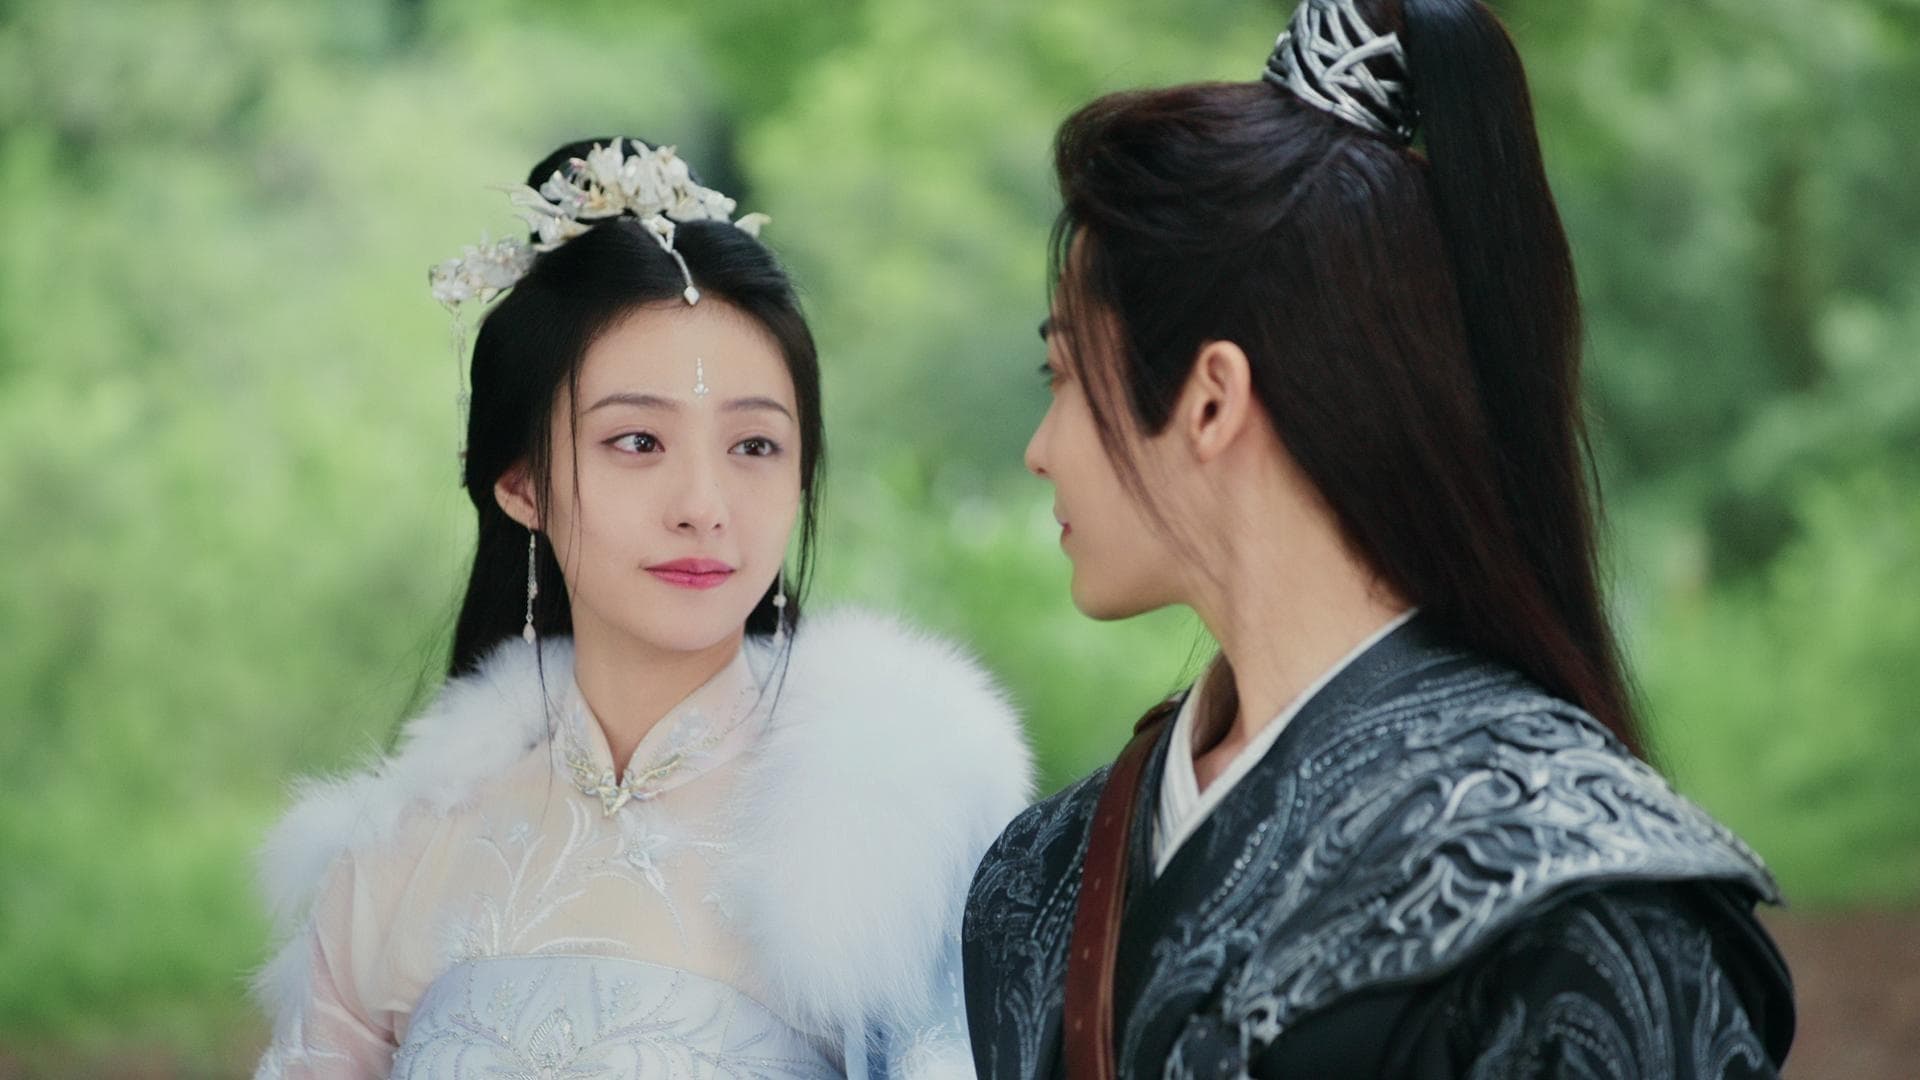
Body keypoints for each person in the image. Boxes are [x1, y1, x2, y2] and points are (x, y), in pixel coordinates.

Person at [960, 1, 1794, 1076]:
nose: (1040, 450)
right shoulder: (1046, 876)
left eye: (1066, 376)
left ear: (1211, 400)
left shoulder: (1580, 905)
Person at [251, 137, 1030, 1079]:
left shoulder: (886, 825)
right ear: (522, 484)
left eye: (754, 447)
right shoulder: (402, 858)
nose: (704, 504)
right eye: (637, 441)